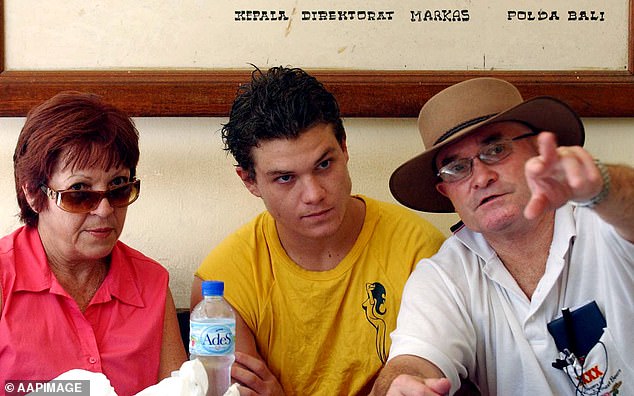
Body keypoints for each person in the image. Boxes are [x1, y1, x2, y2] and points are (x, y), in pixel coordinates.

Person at [371, 77, 634, 395]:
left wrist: (602, 184)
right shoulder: (445, 275)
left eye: (495, 149)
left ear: (537, 148)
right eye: (456, 168)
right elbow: (412, 362)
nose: (481, 177)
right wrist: (400, 386)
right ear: (446, 193)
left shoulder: (605, 219)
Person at [191, 66, 445, 395]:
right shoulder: (223, 286)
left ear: (344, 147)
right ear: (250, 181)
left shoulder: (421, 251)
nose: (314, 195)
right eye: (285, 178)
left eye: (324, 165)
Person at [0, 92, 187, 395]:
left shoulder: (151, 283)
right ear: (34, 194)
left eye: (118, 188)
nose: (104, 210)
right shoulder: (4, 278)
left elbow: (181, 390)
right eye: (80, 192)